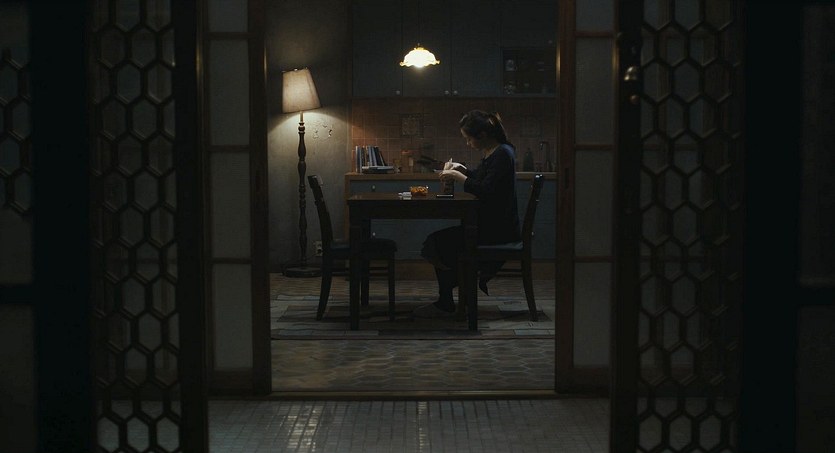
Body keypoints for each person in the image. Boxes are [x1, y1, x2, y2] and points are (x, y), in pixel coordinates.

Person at [413, 110, 520, 318]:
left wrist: (457, 175)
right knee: (438, 243)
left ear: (482, 135)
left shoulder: (502, 154)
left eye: (469, 139)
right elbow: (481, 179)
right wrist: (463, 170)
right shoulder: (496, 152)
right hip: (492, 225)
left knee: (438, 243)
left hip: (497, 231)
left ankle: (451, 296)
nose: (468, 143)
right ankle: (458, 289)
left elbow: (485, 190)